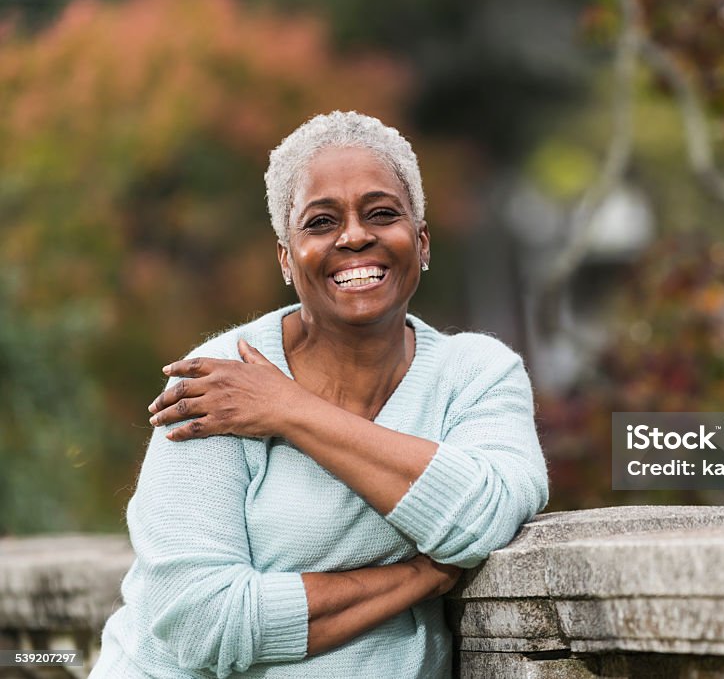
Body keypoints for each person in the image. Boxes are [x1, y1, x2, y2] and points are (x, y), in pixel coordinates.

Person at [90, 111, 549, 678]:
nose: (355, 236)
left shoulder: (477, 374)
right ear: (286, 256)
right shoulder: (219, 380)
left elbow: (485, 517)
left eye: (382, 214)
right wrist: (416, 577)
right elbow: (199, 620)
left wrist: (289, 409)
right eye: (321, 221)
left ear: (421, 242)